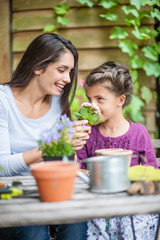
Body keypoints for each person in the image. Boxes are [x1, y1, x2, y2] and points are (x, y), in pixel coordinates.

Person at [0, 33, 90, 240]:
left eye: (70, 72)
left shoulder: (58, 104)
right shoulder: (3, 101)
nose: (68, 79)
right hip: (12, 198)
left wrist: (69, 149)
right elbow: (2, 167)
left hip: (50, 191)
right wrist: (53, 145)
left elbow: (59, 163)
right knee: (34, 226)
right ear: (38, 67)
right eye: (61, 70)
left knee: (78, 218)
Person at [76, 61, 159, 240]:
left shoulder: (139, 133)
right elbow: (78, 171)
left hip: (133, 207)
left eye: (99, 99)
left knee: (132, 223)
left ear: (121, 100)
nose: (92, 105)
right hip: (98, 206)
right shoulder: (88, 134)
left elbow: (152, 173)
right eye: (89, 99)